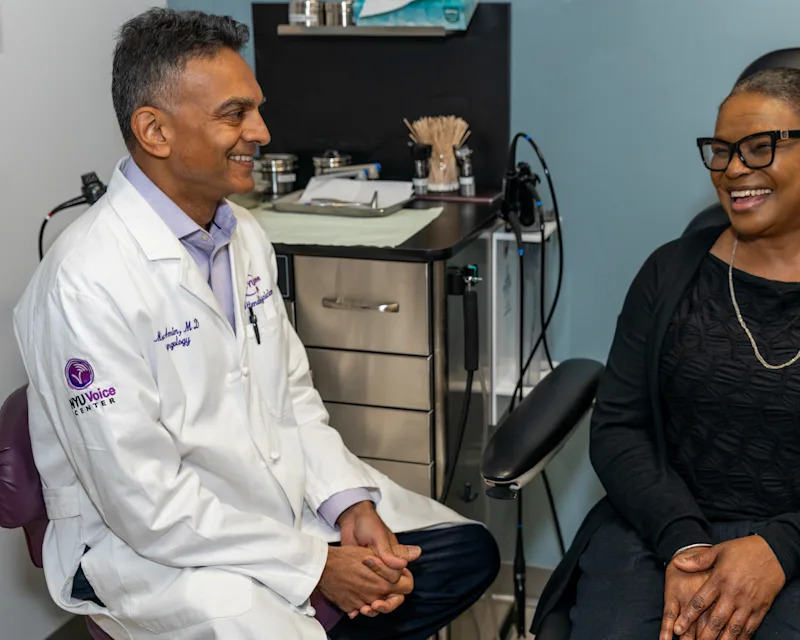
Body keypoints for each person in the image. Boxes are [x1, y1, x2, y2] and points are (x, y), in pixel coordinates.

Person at [14, 9, 498, 639]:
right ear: (154, 130)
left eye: (256, 109)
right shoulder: (84, 281)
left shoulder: (242, 235)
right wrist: (316, 566)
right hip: (154, 550)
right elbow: (145, 505)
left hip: (266, 503)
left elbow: (291, 397)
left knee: (463, 552)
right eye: (234, 114)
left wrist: (345, 501)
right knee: (271, 626)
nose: (262, 131)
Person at [557, 68, 800, 639]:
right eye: (721, 151)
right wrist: (685, 543)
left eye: (761, 147)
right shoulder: (669, 273)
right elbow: (619, 428)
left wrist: (781, 549)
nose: (735, 169)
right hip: (663, 529)